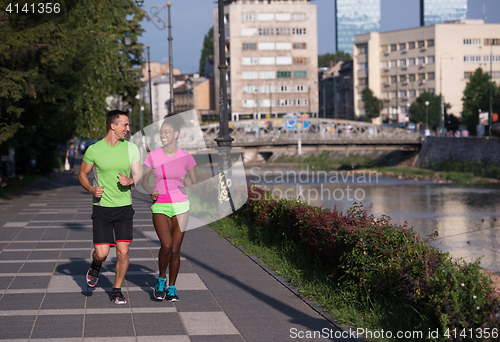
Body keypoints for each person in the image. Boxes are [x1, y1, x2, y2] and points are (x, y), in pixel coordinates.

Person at [78, 110, 142, 304]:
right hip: (102, 208)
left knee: (123, 252)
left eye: (129, 125)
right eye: (125, 125)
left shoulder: (131, 148)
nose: (128, 129)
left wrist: (131, 180)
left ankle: (116, 290)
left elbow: (139, 175)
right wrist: (91, 188)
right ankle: (95, 265)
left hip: (124, 207)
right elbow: (82, 174)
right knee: (102, 253)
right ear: (113, 126)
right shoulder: (94, 150)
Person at [142, 115, 197, 301]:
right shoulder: (153, 156)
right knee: (165, 245)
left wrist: (189, 182)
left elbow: (194, 182)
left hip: (181, 205)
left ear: (176, 134)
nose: (163, 135)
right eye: (161, 132)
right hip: (161, 205)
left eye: (166, 132)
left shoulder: (186, 157)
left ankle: (171, 287)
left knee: (175, 248)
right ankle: (161, 279)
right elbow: (144, 181)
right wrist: (150, 191)